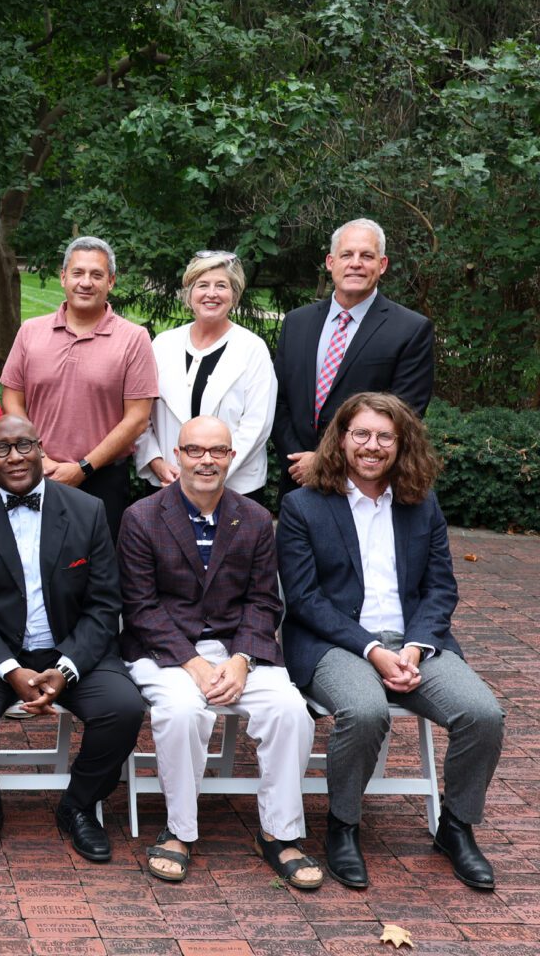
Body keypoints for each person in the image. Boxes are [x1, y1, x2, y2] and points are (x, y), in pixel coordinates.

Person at [278, 392, 504, 891]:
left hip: (414, 643)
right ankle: (343, 827)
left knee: (483, 714)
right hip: (333, 642)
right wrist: (372, 651)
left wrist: (417, 645)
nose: (372, 446)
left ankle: (457, 827)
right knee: (364, 711)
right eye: (361, 434)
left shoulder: (420, 504)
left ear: (402, 445)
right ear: (341, 438)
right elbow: (305, 599)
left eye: (385, 436)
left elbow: (442, 586)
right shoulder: (303, 506)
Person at [0, 414, 144, 864]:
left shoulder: (86, 511)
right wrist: (9, 669)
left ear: (41, 447)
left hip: (72, 647)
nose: (15, 457)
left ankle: (80, 805)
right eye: (1, 449)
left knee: (124, 708)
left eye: (24, 445)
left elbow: (105, 604)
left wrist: (67, 667)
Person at [119, 416, 318, 888]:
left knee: (291, 710)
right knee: (183, 712)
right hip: (164, 650)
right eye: (194, 450)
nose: (206, 460)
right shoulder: (142, 517)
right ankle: (179, 831)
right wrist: (192, 662)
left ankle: (279, 833)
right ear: (177, 454)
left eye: (217, 451)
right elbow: (140, 606)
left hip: (237, 649)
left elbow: (264, 600)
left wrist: (240, 660)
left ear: (232, 457)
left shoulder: (252, 518)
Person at [0, 236, 157, 540]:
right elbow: (12, 400)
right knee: (32, 561)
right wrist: (39, 457)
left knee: (97, 572)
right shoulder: (30, 331)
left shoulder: (134, 339)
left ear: (111, 281)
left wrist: (83, 468)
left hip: (102, 479)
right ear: (63, 277)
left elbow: (137, 418)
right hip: (33, 472)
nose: (86, 282)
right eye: (77, 273)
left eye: (96, 275)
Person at [273, 218, 435, 499]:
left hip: (364, 485)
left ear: (382, 265)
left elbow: (404, 414)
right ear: (330, 262)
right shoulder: (296, 323)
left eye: (367, 256)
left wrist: (323, 460)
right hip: (297, 480)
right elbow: (278, 401)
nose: (356, 263)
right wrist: (299, 460)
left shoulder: (410, 329)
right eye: (347, 254)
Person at [134, 252, 276, 503]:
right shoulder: (163, 344)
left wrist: (209, 475)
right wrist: (154, 461)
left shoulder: (252, 349)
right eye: (202, 285)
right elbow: (141, 414)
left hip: (234, 488)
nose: (211, 293)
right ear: (189, 294)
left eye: (221, 286)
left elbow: (257, 425)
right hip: (168, 481)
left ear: (234, 295)